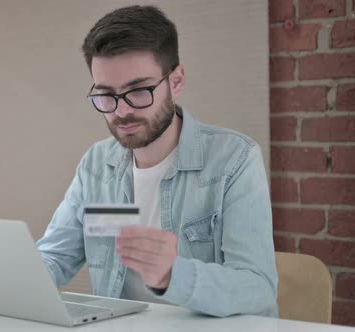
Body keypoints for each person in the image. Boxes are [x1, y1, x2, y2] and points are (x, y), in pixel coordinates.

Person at [36, 5, 278, 317]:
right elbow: (54, 257)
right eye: (106, 95)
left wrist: (172, 276)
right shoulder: (97, 164)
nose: (121, 112)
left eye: (138, 91)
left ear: (175, 82)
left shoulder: (234, 159)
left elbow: (257, 290)